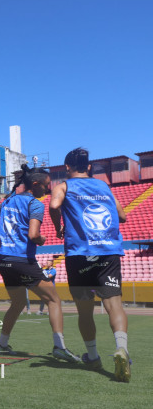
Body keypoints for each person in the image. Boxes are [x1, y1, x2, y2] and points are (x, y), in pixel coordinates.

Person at [0, 164, 80, 362]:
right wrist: (42, 239)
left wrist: (3, 233)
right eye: (46, 185)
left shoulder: (8, 201)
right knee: (53, 300)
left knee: (17, 303)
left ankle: (1, 344)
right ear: (35, 184)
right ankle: (59, 347)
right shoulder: (35, 204)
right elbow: (34, 235)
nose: (48, 189)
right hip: (22, 260)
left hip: (4, 260)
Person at [49, 147, 130, 381]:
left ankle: (93, 357)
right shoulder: (104, 187)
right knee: (114, 305)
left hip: (79, 255)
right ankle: (121, 347)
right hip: (108, 253)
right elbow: (123, 216)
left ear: (66, 167)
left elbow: (54, 206)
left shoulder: (64, 186)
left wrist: (58, 227)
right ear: (89, 167)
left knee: (85, 311)